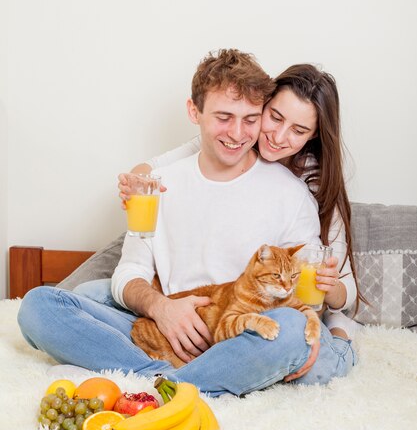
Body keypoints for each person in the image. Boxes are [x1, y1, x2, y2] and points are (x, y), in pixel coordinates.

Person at [17, 49, 356, 397]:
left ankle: (169, 385)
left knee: (290, 328)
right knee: (40, 306)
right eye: (224, 116)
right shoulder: (158, 185)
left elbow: (304, 294)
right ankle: (183, 378)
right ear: (194, 112)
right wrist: (162, 308)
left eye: (250, 119)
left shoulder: (294, 194)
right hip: (171, 327)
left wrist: (314, 318)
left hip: (245, 329)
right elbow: (130, 271)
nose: (238, 133)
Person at [117, 63, 362, 341]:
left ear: (313, 134)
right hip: (216, 296)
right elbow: (155, 167)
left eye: (298, 130)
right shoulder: (233, 138)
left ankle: (338, 345)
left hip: (294, 295)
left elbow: (342, 287)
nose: (279, 137)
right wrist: (134, 185)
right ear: (262, 107)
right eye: (275, 117)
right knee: (95, 293)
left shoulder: (309, 183)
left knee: (306, 333)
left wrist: (329, 289)